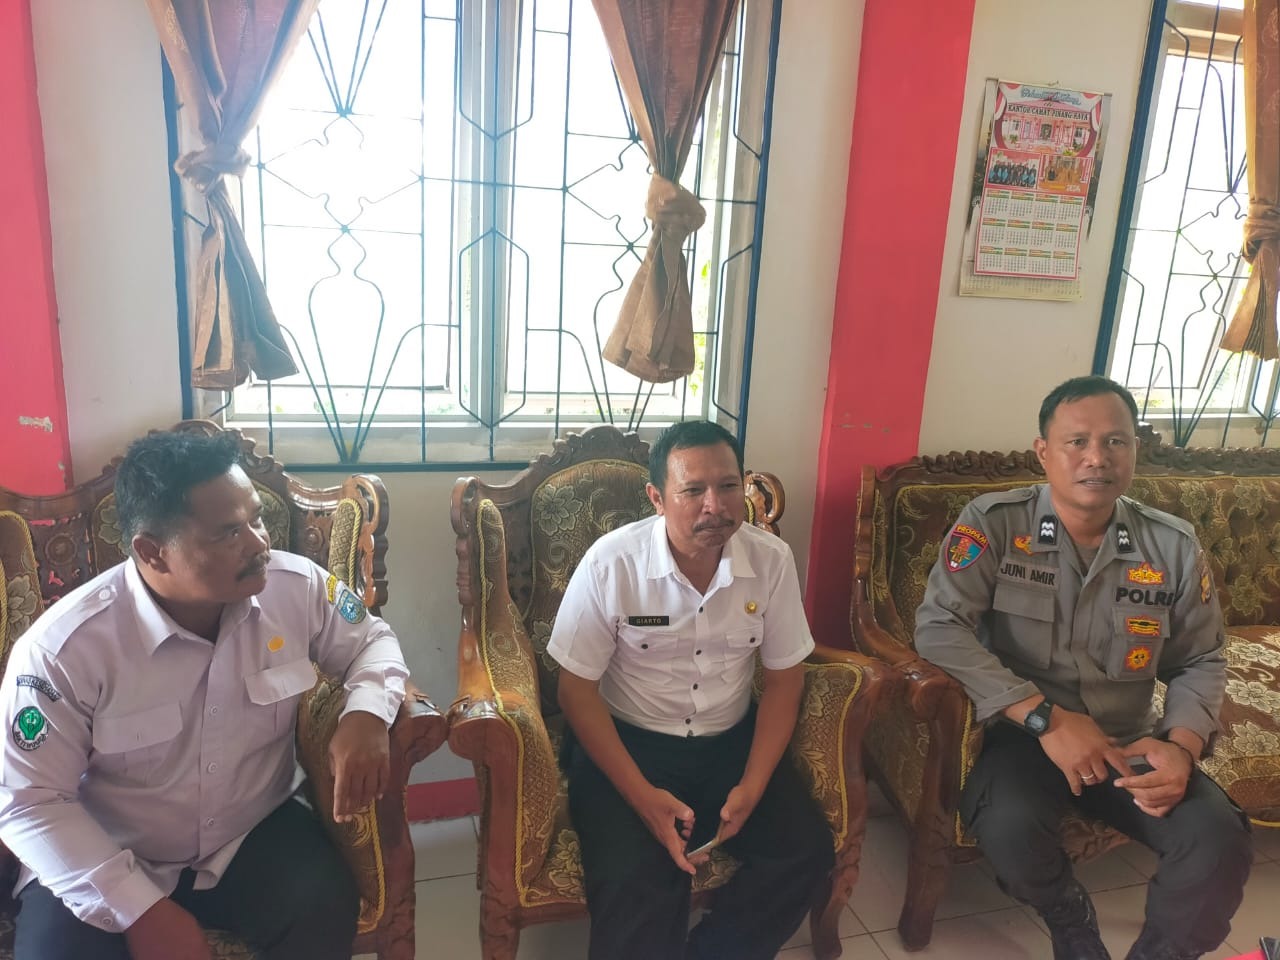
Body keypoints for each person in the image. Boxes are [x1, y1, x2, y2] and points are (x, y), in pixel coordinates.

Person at [0, 430, 410, 960]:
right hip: (107, 851)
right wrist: (140, 910)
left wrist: (367, 714)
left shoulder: (295, 587)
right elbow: (29, 803)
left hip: (247, 834)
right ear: (152, 552)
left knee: (323, 907)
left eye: (256, 519)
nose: (259, 544)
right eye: (228, 533)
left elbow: (373, 641)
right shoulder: (64, 651)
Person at [915, 376, 1251, 960]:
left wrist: (1181, 746)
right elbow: (939, 627)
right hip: (1026, 737)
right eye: (1077, 442)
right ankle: (1067, 916)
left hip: (1128, 740)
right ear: (1043, 452)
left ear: (1135, 450)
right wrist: (1045, 718)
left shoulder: (1171, 546)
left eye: (1115, 441)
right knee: (1008, 829)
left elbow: (1201, 656)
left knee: (1217, 840)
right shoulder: (994, 523)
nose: (1097, 458)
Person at [548, 420, 833, 960]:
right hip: (628, 746)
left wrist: (752, 785)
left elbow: (784, 681)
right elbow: (575, 692)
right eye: (693, 490)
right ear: (657, 497)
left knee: (805, 852)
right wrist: (642, 799)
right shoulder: (613, 564)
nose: (715, 506)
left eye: (728, 486)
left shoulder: (771, 561)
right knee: (637, 884)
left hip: (730, 743)